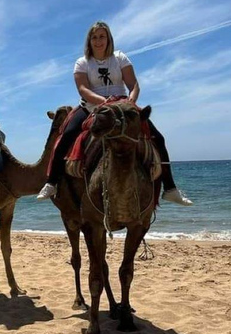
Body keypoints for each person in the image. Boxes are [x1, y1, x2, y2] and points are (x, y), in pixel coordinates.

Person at [37, 21, 192, 206]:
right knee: (67, 136)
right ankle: (52, 182)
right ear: (89, 41)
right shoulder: (82, 62)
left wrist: (131, 102)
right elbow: (83, 89)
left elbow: (133, 85)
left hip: (122, 106)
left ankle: (170, 188)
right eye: (94, 37)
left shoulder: (120, 57)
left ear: (108, 38)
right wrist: (104, 102)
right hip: (91, 107)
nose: (98, 40)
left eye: (102, 36)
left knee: (158, 138)